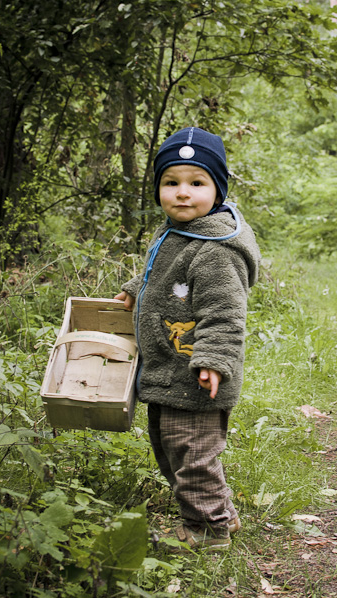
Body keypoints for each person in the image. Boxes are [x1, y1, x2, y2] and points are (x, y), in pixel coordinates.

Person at [115, 126, 260, 552]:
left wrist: (213, 360)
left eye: (197, 183)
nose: (182, 193)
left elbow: (224, 314)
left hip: (197, 374)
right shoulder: (178, 232)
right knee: (172, 449)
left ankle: (207, 530)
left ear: (217, 190)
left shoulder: (215, 249)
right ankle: (221, 514)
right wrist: (135, 287)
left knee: (192, 454)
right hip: (167, 370)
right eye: (170, 182)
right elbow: (162, 275)